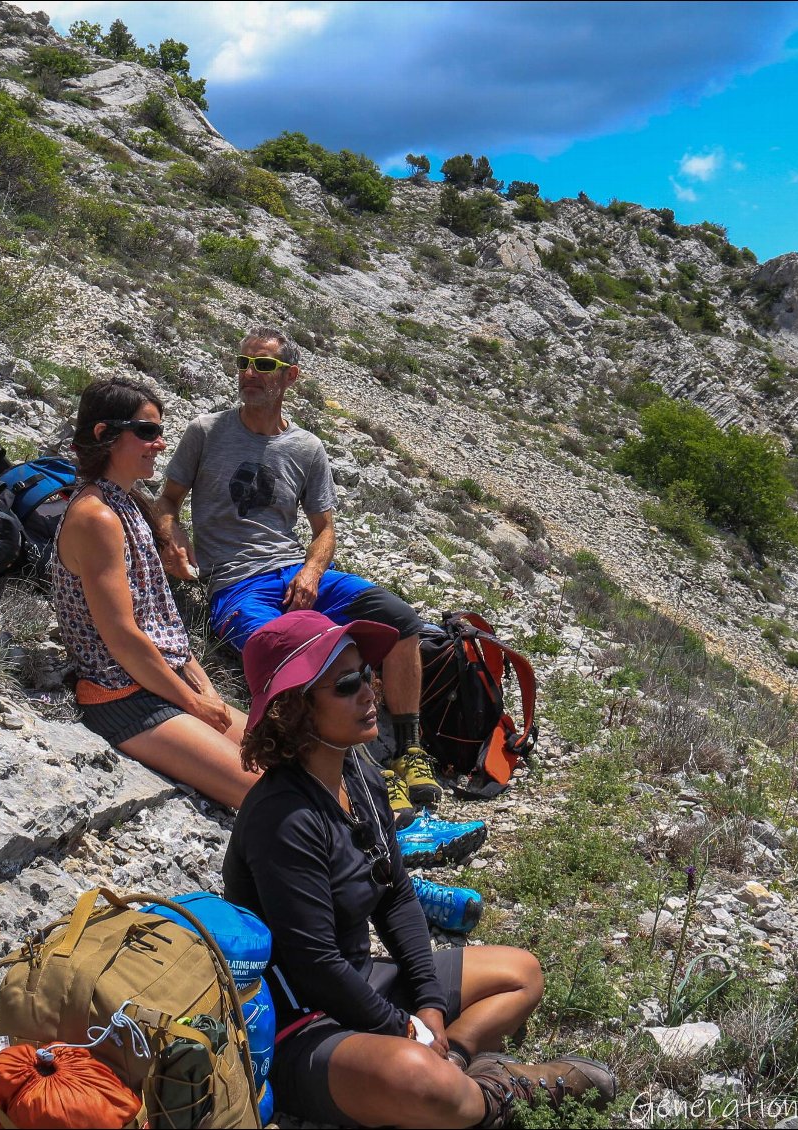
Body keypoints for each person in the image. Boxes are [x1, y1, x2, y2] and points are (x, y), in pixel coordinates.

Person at [222, 610, 617, 1128]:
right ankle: (495, 1094)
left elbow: (396, 894)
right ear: (293, 710)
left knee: (521, 973)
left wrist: (428, 1006)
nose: (370, 690)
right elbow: (314, 965)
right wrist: (401, 1030)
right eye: (347, 684)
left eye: (367, 673)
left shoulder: (358, 773)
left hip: (358, 983)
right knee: (420, 1080)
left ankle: (458, 1062)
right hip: (299, 1023)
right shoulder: (284, 817)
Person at [154, 325, 442, 821]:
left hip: (294, 571)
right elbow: (167, 502)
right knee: (310, 665)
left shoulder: (306, 447)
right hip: (237, 584)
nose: (249, 373)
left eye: (262, 365)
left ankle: (410, 750)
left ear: (290, 377)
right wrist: (172, 536)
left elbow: (325, 528)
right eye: (243, 362)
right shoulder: (206, 431)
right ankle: (371, 775)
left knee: (401, 622)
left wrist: (311, 570)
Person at [52, 376, 259, 810]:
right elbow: (123, 636)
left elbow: (160, 619)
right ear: (104, 435)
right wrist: (193, 702)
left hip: (161, 681)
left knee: (294, 765)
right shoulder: (98, 517)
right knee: (270, 792)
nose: (160, 443)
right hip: (123, 696)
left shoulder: (125, 502)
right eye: (147, 432)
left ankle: (383, 856)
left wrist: (204, 690)